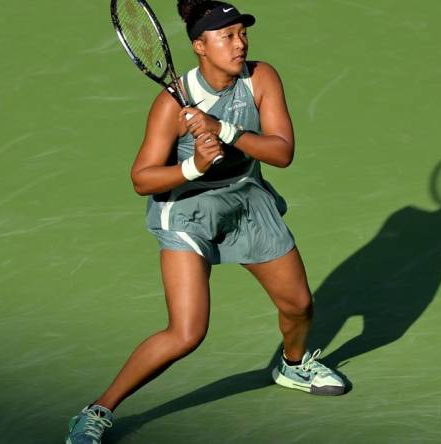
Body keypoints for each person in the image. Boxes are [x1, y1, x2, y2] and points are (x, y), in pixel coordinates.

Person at [66, 1, 344, 442]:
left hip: (247, 200)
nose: (240, 44)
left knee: (298, 306)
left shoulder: (262, 78)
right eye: (227, 37)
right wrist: (193, 166)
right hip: (188, 211)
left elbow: (282, 152)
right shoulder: (169, 103)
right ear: (200, 45)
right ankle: (97, 410)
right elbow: (142, 179)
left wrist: (225, 130)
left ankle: (292, 366)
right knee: (187, 332)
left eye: (242, 34)